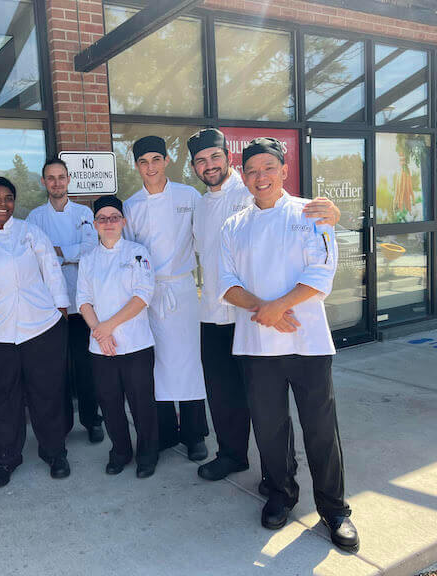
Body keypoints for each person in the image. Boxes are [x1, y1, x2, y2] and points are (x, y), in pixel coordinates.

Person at [218, 137, 359, 552]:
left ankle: (334, 509)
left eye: (268, 168)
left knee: (320, 429)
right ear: (242, 176)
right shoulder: (234, 225)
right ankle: (281, 493)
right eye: (252, 170)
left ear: (283, 171)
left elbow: (322, 274)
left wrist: (278, 307)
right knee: (269, 427)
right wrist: (265, 310)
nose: (260, 177)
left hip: (309, 342)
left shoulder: (309, 213)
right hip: (257, 344)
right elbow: (226, 284)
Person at [188, 128, 340, 489]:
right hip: (234, 321)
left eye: (214, 157)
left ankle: (313, 497)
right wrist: (265, 309)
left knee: (301, 421)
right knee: (247, 409)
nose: (260, 177)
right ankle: (254, 470)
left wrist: (334, 210)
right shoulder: (206, 209)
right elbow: (219, 275)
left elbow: (319, 261)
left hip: (284, 329)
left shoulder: (280, 202)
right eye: (200, 161)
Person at [0, 176, 71, 488]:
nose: (2, 204)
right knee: (4, 400)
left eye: (8, 198)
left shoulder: (30, 232)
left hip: (40, 327)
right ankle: (7, 457)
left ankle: (54, 452)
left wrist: (60, 308)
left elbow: (51, 270)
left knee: (46, 395)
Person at [122, 136, 208, 461]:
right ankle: (165, 432)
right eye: (143, 161)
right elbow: (130, 255)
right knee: (155, 365)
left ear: (167, 160)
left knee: (188, 362)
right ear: (136, 166)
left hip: (183, 291)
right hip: (148, 295)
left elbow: (206, 236)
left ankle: (195, 433)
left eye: (156, 159)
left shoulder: (189, 196)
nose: (150, 167)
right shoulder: (131, 206)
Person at [77, 195, 159, 478]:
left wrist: (107, 326)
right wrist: (100, 333)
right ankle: (121, 451)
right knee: (110, 403)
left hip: (135, 343)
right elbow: (83, 301)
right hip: (102, 348)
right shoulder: (88, 259)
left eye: (114, 218)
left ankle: (148, 454)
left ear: (123, 222)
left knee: (142, 404)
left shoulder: (138, 253)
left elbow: (142, 296)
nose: (108, 223)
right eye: (102, 218)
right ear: (95, 224)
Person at [27, 158, 104, 444]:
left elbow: (90, 249)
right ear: (43, 182)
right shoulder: (35, 218)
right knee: (55, 369)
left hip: (83, 302)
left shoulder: (84, 213)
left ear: (69, 179)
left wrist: (57, 252)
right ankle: (61, 424)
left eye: (61, 177)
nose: (56, 182)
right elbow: (36, 256)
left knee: (86, 366)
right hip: (52, 305)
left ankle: (92, 420)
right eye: (50, 178)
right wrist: (66, 254)